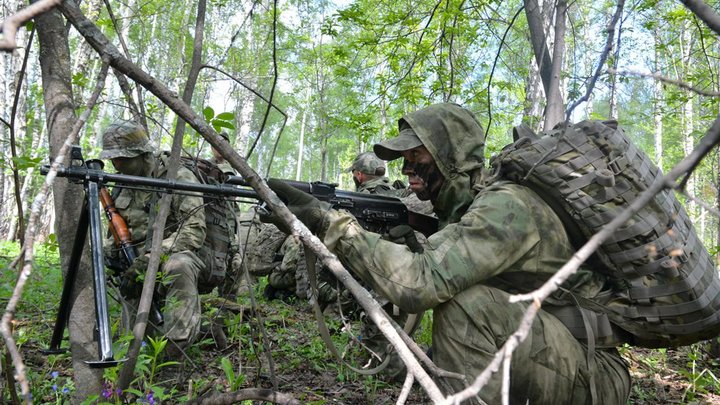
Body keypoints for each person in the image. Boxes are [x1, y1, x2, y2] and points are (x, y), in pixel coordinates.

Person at [262, 103, 630, 404]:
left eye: (416, 155)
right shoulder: (468, 209)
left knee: (465, 308)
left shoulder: (506, 206)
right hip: (555, 352)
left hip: (592, 371)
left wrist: (328, 224)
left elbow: (420, 283)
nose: (406, 169)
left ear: (449, 154)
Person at [101, 119, 208, 355]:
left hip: (174, 256)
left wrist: (153, 257)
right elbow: (113, 232)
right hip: (133, 263)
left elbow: (195, 229)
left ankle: (176, 349)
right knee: (134, 341)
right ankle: (134, 353)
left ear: (141, 154)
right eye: (113, 159)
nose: (116, 164)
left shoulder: (177, 175)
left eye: (122, 158)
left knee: (179, 266)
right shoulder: (121, 182)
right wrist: (112, 258)